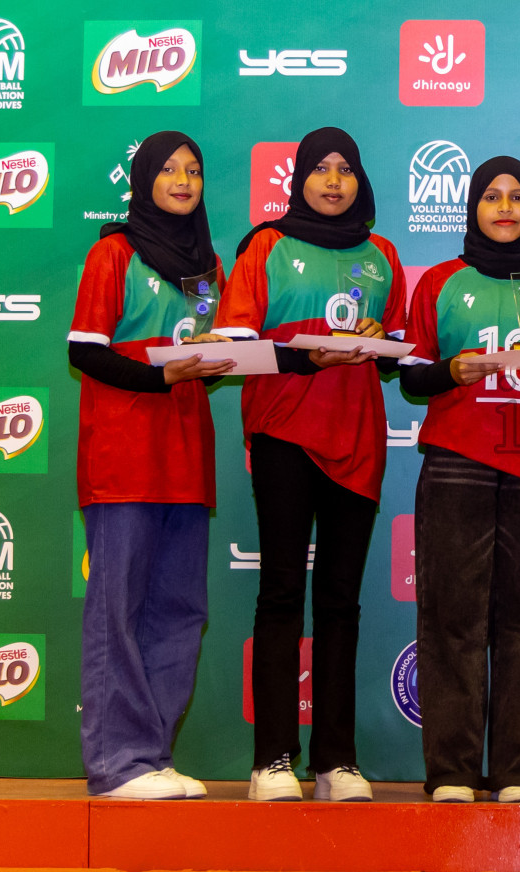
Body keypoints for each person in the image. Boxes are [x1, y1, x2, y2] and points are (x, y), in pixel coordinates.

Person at [207, 127, 406, 802]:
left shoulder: (383, 255)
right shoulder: (266, 245)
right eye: (319, 168)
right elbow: (235, 346)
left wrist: (380, 340)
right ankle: (271, 760)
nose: (331, 180)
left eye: (344, 168)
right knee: (282, 595)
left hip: (357, 443)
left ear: (360, 181)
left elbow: (398, 344)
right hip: (282, 434)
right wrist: (304, 356)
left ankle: (336, 762)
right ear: (298, 180)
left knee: (341, 604)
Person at [401, 156, 520, 803]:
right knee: (452, 621)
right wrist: (453, 370)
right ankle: (451, 769)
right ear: (473, 206)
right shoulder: (440, 283)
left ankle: (519, 770)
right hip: (456, 465)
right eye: (492, 197)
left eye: (517, 197)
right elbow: (411, 375)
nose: (505, 207)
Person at [69, 130, 233, 800]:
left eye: (193, 170)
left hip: (186, 460)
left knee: (179, 608)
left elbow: (207, 353)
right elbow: (86, 350)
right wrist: (161, 376)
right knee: (119, 610)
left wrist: (219, 354)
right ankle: (116, 763)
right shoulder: (113, 252)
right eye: (168, 169)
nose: (183, 179)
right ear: (142, 180)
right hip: (123, 456)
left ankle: (153, 757)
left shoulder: (210, 265)